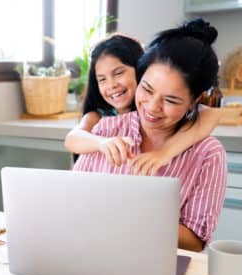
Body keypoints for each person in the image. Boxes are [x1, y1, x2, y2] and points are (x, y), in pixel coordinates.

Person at [72, 18, 227, 252]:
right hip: (93, 253)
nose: (152, 108)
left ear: (194, 101)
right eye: (147, 89)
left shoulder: (208, 154)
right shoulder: (105, 129)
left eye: (171, 100)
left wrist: (128, 220)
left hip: (156, 265)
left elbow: (194, 241)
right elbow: (72, 204)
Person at [65, 33, 221, 175]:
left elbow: (211, 115)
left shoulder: (155, 113)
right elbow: (72, 138)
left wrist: (165, 152)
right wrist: (101, 142)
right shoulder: (101, 122)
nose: (111, 85)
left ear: (139, 70)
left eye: (119, 73)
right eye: (102, 79)